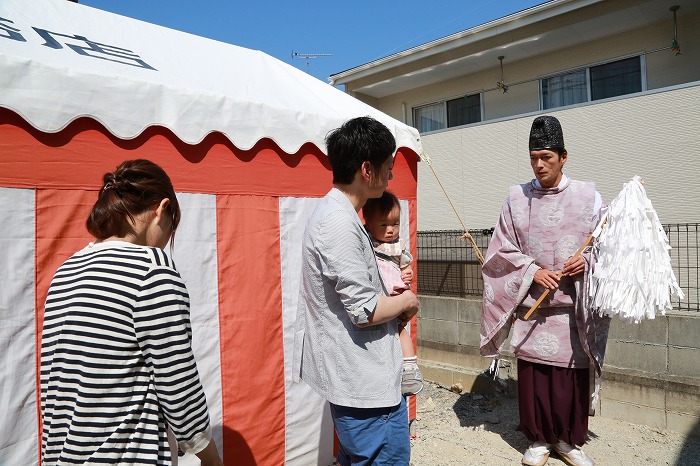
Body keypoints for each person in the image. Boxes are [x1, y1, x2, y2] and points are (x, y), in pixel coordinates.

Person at [40, 159, 222, 466]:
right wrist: (211, 457)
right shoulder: (152, 270)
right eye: (172, 225)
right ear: (162, 209)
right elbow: (178, 384)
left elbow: (57, 382)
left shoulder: (66, 270)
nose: (167, 239)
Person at [479, 116, 610, 466]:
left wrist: (588, 263)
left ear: (564, 157)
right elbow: (500, 251)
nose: (539, 165)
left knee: (569, 378)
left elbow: (608, 247)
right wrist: (533, 271)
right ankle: (537, 440)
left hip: (572, 310)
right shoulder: (515, 199)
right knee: (535, 377)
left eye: (547, 158)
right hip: (532, 308)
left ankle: (568, 441)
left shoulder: (589, 197)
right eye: (533, 157)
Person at [294, 116, 420, 465]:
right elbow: (364, 311)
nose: (391, 175)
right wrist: (407, 300)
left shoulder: (340, 214)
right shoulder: (338, 222)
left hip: (362, 381)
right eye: (388, 167)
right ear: (367, 169)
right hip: (365, 388)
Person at [362, 190, 423, 396]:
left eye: (395, 224)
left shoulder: (398, 247)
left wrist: (408, 273)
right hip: (378, 296)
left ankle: (410, 367)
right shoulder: (365, 241)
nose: (390, 230)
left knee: (400, 331)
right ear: (368, 223)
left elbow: (406, 266)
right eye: (383, 225)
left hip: (395, 294)